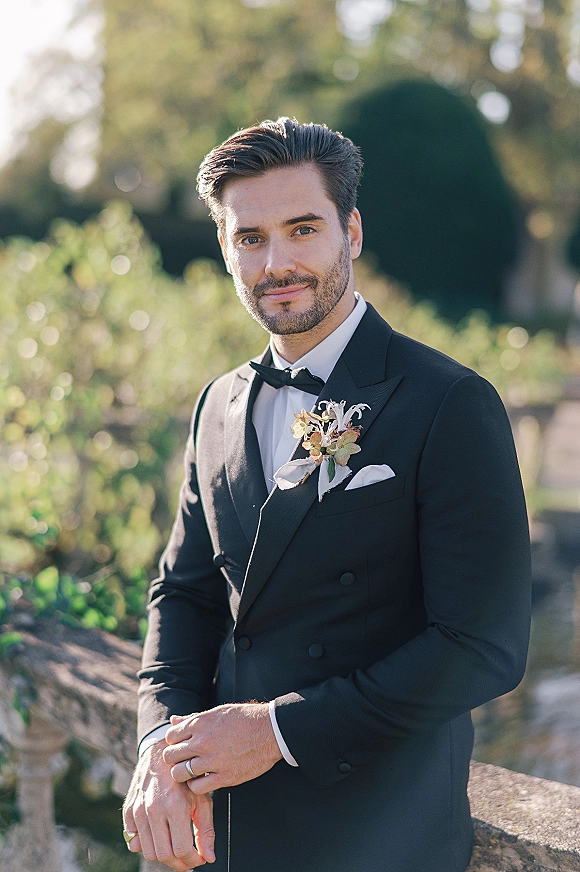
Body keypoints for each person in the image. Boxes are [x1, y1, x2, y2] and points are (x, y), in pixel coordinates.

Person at [122, 117, 531, 872]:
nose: (276, 262)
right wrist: (162, 746)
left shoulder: (448, 401)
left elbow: (483, 646)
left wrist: (277, 731)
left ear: (351, 230)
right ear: (225, 250)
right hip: (229, 836)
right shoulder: (217, 404)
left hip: (378, 833)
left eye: (302, 229)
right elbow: (184, 597)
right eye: (250, 238)